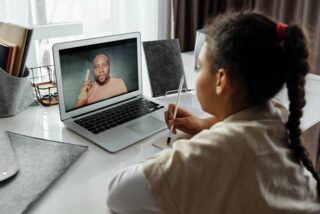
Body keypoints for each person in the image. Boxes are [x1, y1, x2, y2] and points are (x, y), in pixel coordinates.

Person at [106, 11, 320, 214]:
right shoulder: (279, 117)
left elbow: (118, 194)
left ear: (221, 80)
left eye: (199, 67)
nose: (196, 74)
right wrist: (202, 125)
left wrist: (180, 151)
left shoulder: (214, 152)